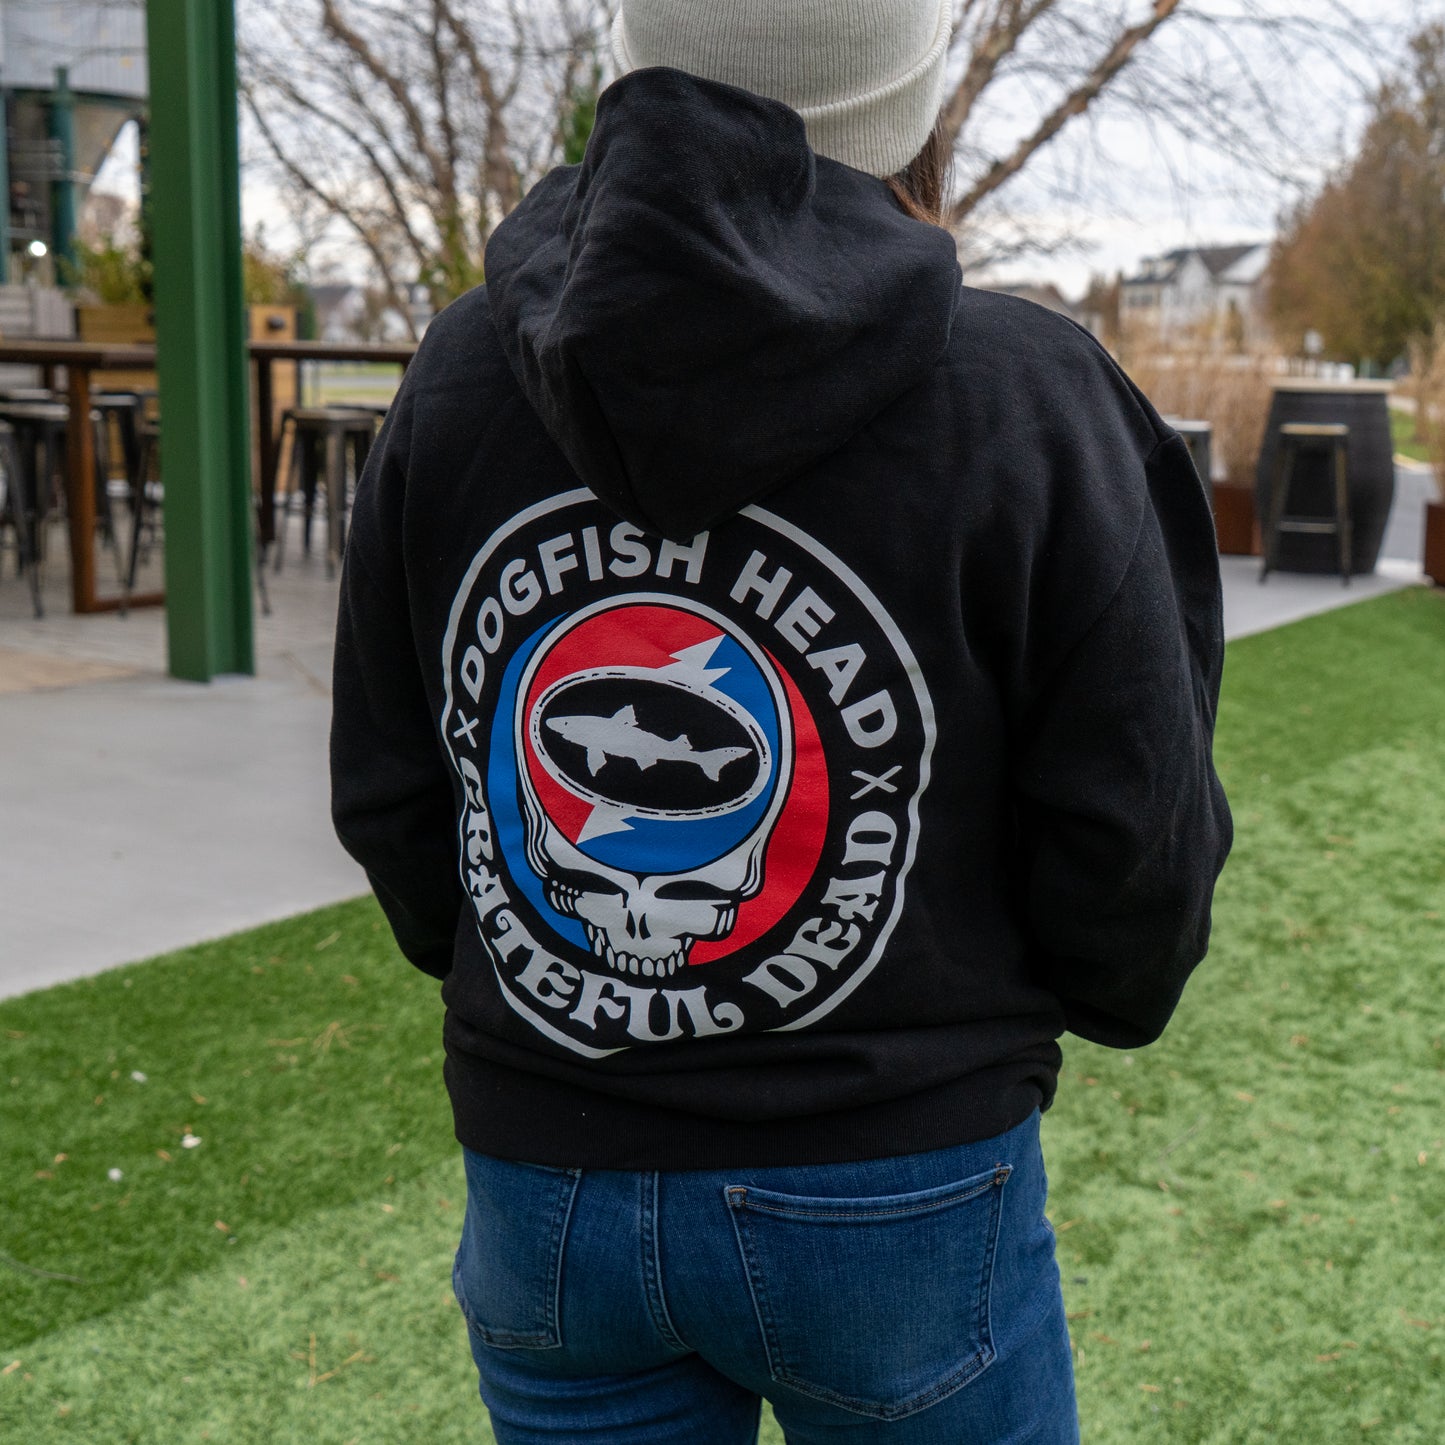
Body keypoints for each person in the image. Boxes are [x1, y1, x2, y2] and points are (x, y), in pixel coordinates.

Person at [329, 1, 1233, 1439]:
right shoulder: (1025, 396)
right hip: (897, 1177)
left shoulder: (455, 373)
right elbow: (1132, 828)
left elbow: (391, 787)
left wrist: (553, 985)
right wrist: (1071, 1003)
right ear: (911, 102)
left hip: (541, 1172)